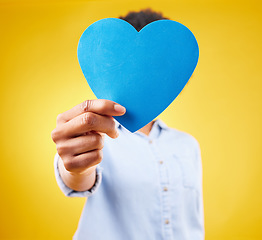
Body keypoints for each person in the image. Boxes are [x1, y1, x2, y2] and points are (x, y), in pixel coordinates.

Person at [51, 8, 204, 240]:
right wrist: (75, 165)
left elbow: (193, 218)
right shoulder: (96, 135)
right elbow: (79, 178)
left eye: (155, 68)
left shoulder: (187, 145)